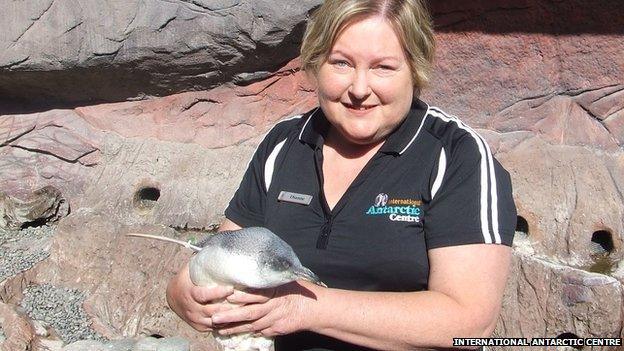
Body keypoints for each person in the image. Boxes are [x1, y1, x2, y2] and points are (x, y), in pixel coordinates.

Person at [166, 0, 517, 350]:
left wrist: (306, 308)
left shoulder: (456, 155)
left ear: (415, 68)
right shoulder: (285, 144)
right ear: (316, 64)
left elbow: (470, 322)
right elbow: (222, 253)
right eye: (341, 63)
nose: (359, 89)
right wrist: (185, 290)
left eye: (383, 67)